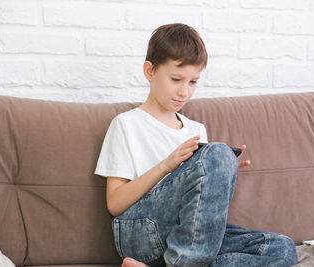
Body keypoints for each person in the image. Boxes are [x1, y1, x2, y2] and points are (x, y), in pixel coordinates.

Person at [95, 23, 298, 267]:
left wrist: (220, 172)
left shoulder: (195, 129)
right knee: (218, 153)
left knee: (283, 249)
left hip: (188, 237)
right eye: (176, 79)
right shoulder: (126, 124)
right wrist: (167, 165)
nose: (184, 91)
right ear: (149, 71)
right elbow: (115, 204)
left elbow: (202, 219)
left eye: (193, 82)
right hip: (142, 232)